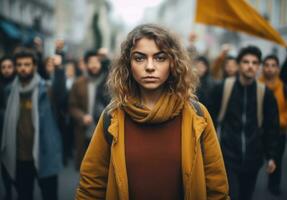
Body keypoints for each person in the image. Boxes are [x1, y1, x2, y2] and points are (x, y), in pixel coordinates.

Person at [76, 24, 229, 200]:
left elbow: (217, 189)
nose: (150, 67)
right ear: (128, 64)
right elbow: (91, 187)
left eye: (160, 58)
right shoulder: (112, 117)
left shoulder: (197, 115)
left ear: (173, 63)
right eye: (140, 58)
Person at [209, 45, 279, 200]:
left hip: (253, 158)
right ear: (239, 65)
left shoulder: (265, 93)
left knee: (246, 195)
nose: (250, 66)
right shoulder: (223, 88)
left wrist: (271, 156)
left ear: (259, 67)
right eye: (246, 62)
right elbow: (209, 118)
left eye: (255, 63)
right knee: (230, 194)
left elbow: (271, 127)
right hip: (227, 156)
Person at [0, 48, 63, 200]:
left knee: (50, 196)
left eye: (27, 64)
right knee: (24, 195)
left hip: (45, 154)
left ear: (34, 66)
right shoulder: (9, 91)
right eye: (19, 64)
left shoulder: (46, 89)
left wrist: (59, 69)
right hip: (20, 157)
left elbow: (61, 95)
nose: (23, 68)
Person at [259, 54, 287, 195]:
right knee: (254, 160)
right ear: (263, 67)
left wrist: (278, 122)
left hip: (278, 134)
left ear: (277, 68)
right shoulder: (257, 86)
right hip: (258, 133)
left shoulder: (285, 89)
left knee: (276, 161)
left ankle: (274, 185)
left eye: (273, 65)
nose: (270, 68)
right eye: (267, 65)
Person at [69, 50, 110, 170]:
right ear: (86, 64)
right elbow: (72, 106)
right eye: (91, 62)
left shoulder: (109, 81)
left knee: (104, 170)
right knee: (86, 169)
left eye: (97, 61)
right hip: (84, 131)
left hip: (105, 132)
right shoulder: (79, 83)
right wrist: (82, 116)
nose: (94, 65)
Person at [0, 55, 16, 200]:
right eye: (3, 67)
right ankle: (8, 190)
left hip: (16, 132)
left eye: (9, 67)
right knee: (4, 162)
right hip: (1, 130)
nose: (6, 70)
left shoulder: (19, 85)